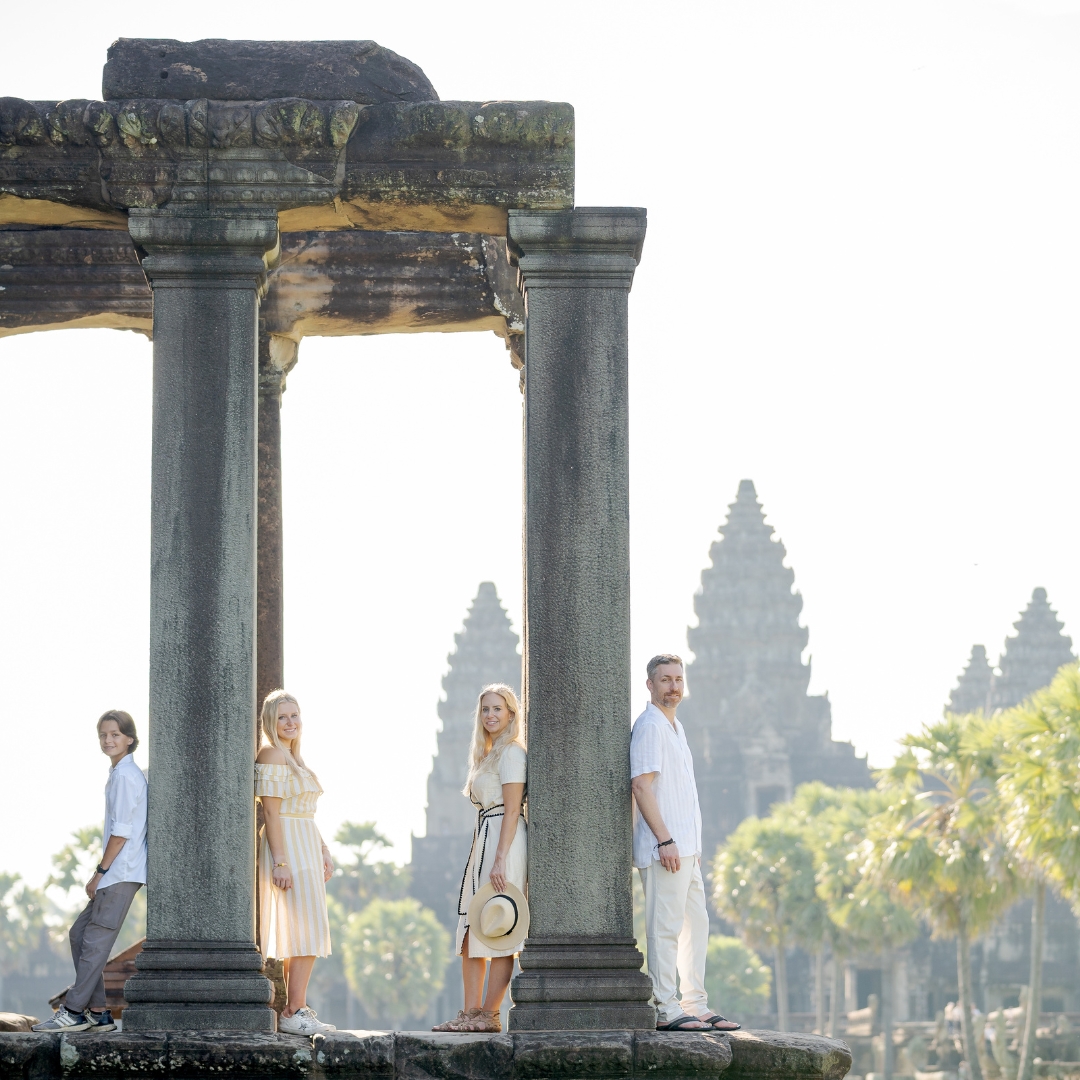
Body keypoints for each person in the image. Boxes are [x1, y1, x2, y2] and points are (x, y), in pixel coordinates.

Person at [630, 654, 740, 1032]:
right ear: (650, 685)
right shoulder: (649, 726)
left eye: (678, 679)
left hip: (688, 849)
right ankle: (665, 1006)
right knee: (665, 926)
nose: (673, 686)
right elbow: (641, 786)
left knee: (697, 924)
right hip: (666, 847)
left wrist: (688, 846)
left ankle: (695, 1002)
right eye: (665, 680)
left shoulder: (676, 728)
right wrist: (666, 840)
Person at [34, 710, 147, 1033]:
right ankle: (98, 1012)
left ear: (129, 738)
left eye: (115, 734)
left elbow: (122, 831)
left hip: (121, 871)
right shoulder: (118, 773)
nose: (108, 740)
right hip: (116, 872)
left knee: (95, 940)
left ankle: (72, 1010)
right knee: (79, 934)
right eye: (103, 735)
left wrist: (100, 871)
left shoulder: (126, 776)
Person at [433, 684, 527, 1034]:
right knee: (472, 927)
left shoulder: (512, 753)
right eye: (485, 709)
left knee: (501, 925)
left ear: (511, 714)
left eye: (497, 709)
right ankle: (471, 1012)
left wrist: (500, 859)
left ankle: (490, 1014)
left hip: (505, 840)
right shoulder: (488, 754)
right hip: (485, 837)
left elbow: (513, 808)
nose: (490, 715)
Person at [256, 689, 336, 1036]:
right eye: (282, 717)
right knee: (304, 929)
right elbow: (272, 811)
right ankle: (294, 1010)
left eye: (294, 715)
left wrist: (323, 849)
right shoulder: (272, 754)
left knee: (306, 929)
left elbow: (306, 812)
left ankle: (295, 1008)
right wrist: (280, 861)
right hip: (286, 844)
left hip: (305, 841)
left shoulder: (294, 758)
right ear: (271, 723)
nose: (290, 722)